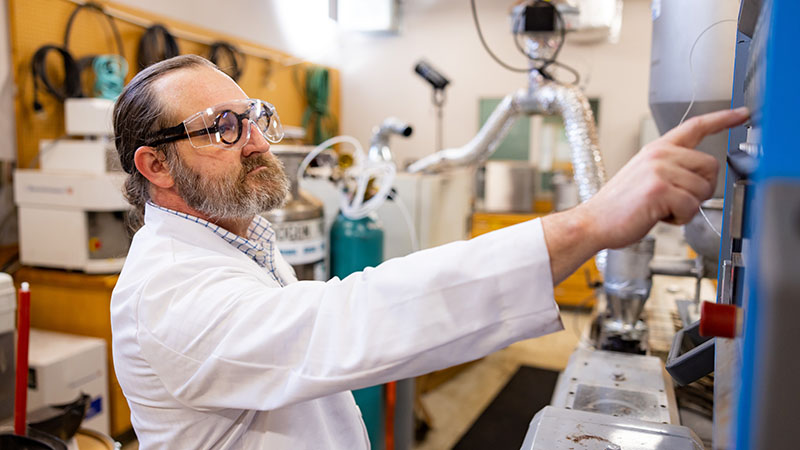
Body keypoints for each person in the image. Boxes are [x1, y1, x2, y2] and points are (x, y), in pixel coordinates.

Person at [110, 55, 748, 449]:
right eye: (222, 127)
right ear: (155, 165)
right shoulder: (165, 293)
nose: (255, 140)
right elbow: (343, 324)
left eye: (252, 117)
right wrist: (588, 225)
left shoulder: (239, 240)